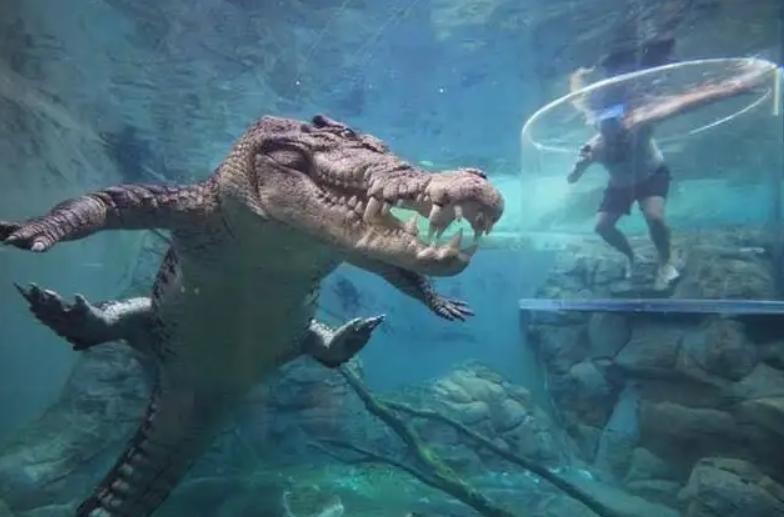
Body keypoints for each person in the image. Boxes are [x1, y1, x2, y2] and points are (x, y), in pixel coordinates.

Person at [566, 40, 770, 290]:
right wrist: (580, 165)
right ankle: (631, 256)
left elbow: (688, 103)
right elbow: (571, 179)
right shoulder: (594, 147)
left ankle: (665, 262)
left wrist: (736, 88)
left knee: (654, 218)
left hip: (652, 174)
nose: (617, 136)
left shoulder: (639, 123)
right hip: (620, 185)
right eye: (608, 132)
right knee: (602, 228)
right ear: (599, 130)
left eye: (619, 130)